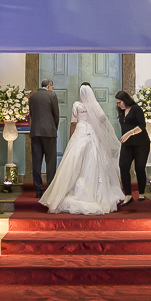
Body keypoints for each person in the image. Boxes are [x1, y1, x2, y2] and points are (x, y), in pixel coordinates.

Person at [40, 83, 124, 215]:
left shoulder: (76, 104)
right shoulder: (93, 104)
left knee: (74, 160)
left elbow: (73, 122)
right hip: (91, 132)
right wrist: (94, 124)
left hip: (80, 132)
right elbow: (102, 117)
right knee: (93, 160)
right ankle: (95, 194)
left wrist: (70, 137)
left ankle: (69, 190)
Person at [115, 90, 151, 207]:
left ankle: (141, 193)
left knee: (139, 168)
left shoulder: (136, 109)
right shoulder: (121, 112)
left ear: (125, 100)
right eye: (117, 103)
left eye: (120, 102)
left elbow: (142, 126)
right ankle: (128, 195)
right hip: (127, 144)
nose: (118, 105)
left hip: (141, 143)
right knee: (123, 166)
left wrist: (129, 133)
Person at [28, 78, 60, 199]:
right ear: (49, 86)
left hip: (35, 132)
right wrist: (54, 128)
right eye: (52, 87)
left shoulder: (33, 97)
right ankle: (50, 188)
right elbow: (56, 116)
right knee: (50, 161)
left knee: (36, 161)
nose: (52, 89)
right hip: (49, 132)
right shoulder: (52, 96)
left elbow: (31, 113)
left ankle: (38, 190)